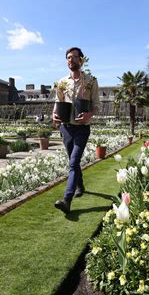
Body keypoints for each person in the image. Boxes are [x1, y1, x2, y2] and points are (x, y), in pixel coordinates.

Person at [52, 47, 101, 214]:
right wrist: (54, 115)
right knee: (74, 162)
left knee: (73, 162)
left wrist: (89, 114)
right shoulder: (61, 82)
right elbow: (57, 102)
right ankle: (80, 185)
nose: (70, 60)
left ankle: (67, 200)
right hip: (66, 128)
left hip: (82, 129)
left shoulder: (91, 81)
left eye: (73, 57)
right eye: (68, 58)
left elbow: (97, 106)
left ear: (81, 60)